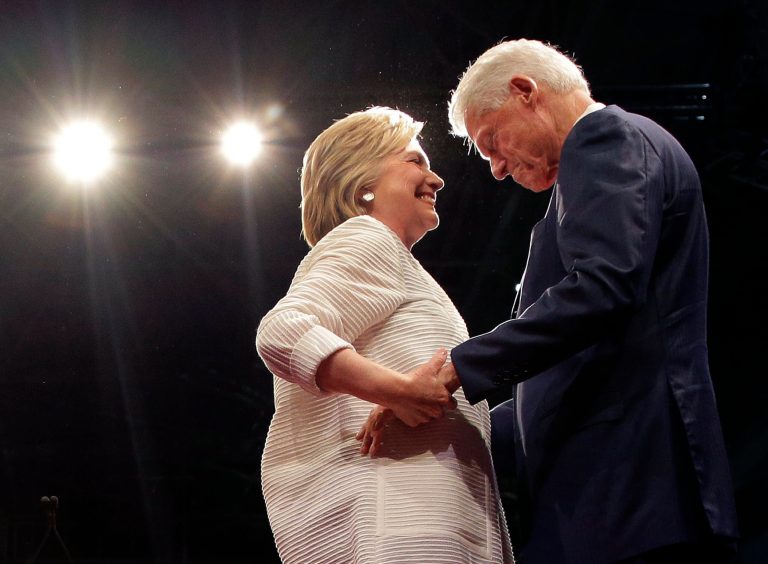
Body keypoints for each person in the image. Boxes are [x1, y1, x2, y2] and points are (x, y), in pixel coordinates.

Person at [437, 39, 739, 564]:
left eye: (493, 142)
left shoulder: (603, 137)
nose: (498, 171)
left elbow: (604, 286)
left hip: (634, 495)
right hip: (608, 504)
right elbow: (558, 380)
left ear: (525, 91)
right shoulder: (589, 175)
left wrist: (455, 370)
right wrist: (456, 425)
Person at [256, 107, 513, 563]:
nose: (436, 180)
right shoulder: (367, 237)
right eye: (415, 162)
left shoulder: (397, 260)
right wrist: (398, 392)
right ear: (362, 185)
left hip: (420, 517)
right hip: (399, 524)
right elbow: (282, 331)